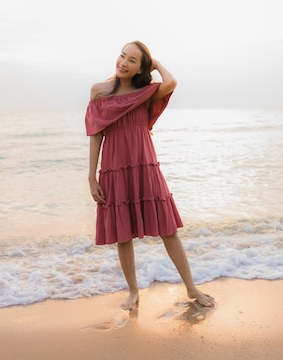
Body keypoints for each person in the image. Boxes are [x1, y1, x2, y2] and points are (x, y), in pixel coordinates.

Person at [85, 41, 215, 311]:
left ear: (141, 68)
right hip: (114, 167)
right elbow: (96, 133)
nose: (123, 62)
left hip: (145, 165)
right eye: (122, 56)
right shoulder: (99, 91)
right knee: (123, 234)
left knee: (168, 229)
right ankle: (133, 291)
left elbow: (171, 83)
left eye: (132, 60)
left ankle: (191, 287)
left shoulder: (147, 92)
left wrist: (155, 64)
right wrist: (91, 176)